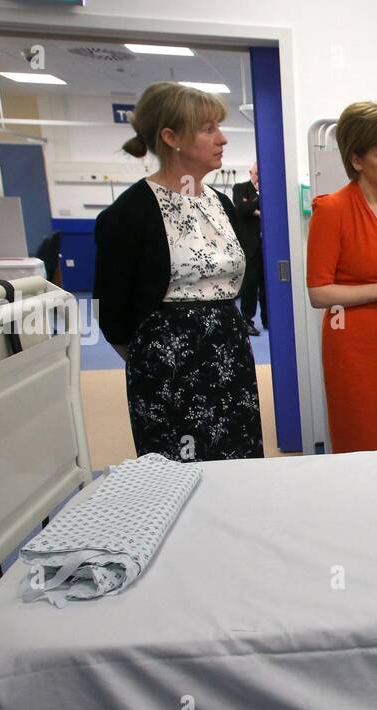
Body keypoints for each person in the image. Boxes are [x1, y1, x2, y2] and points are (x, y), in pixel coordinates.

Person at [94, 80, 262, 461]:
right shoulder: (129, 214)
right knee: (179, 473)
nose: (222, 138)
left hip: (230, 358)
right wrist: (156, 359)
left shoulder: (221, 204)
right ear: (171, 137)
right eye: (208, 129)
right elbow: (111, 314)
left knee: (240, 464)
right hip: (168, 370)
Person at [306, 101, 377, 453]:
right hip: (353, 344)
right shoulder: (331, 210)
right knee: (361, 437)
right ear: (357, 161)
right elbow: (318, 293)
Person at [232, 163, 265, 336]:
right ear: (250, 173)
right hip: (249, 246)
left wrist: (255, 210)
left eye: (262, 173)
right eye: (256, 173)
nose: (259, 177)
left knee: (266, 285)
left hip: (267, 245)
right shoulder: (240, 188)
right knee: (250, 285)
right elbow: (243, 209)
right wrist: (257, 199)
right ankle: (247, 320)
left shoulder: (271, 189)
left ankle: (268, 320)